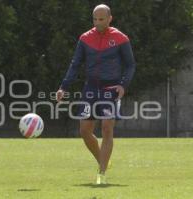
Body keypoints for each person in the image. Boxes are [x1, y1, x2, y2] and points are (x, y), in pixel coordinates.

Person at [56, 4, 136, 184]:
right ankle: (103, 160)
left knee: (107, 127)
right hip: (90, 89)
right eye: (95, 19)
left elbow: (131, 65)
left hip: (111, 89)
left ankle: (101, 173)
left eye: (101, 19)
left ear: (110, 18)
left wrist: (123, 85)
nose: (98, 22)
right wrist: (63, 87)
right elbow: (75, 64)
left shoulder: (120, 38)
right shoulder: (85, 38)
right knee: (85, 131)